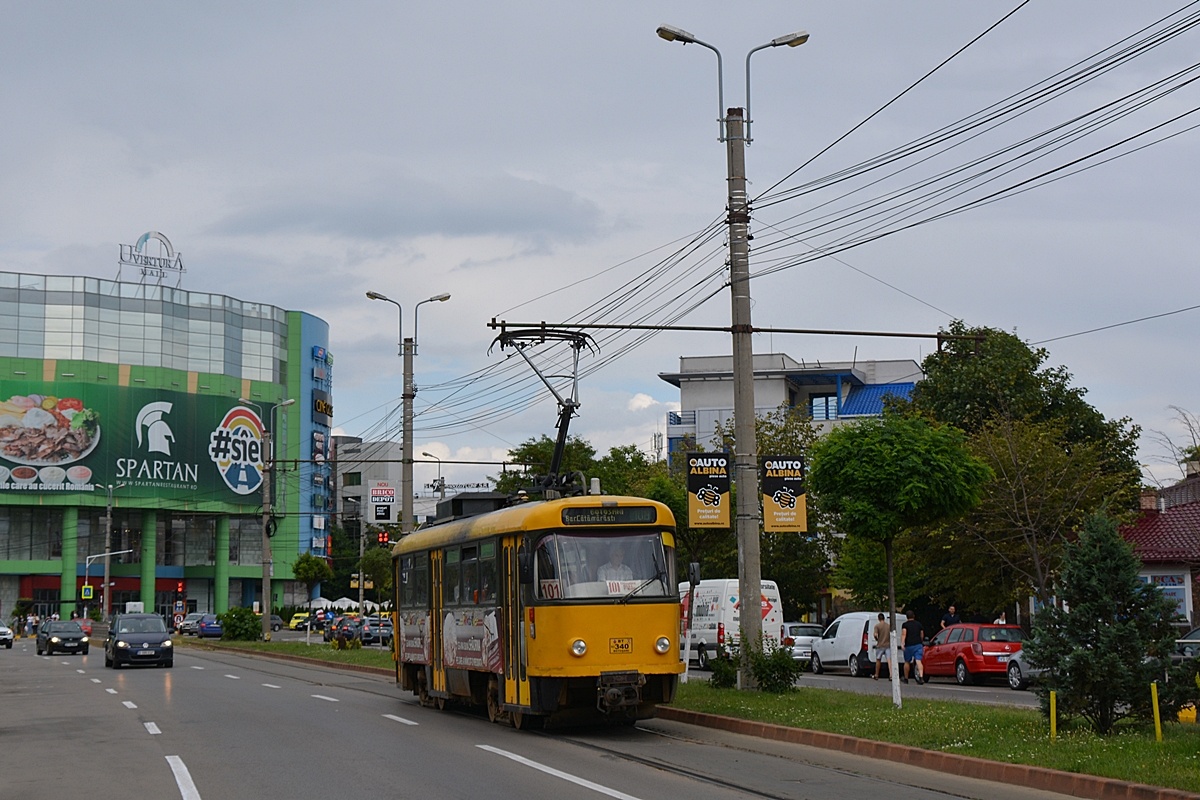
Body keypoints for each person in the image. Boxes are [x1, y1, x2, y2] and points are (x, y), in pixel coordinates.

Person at [901, 610, 925, 684]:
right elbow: (922, 634)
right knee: (918, 661)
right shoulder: (919, 624)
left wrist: (902, 643)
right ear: (914, 616)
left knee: (907, 661)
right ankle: (921, 677)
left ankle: (906, 678)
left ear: (906, 617)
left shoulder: (905, 625)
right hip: (918, 644)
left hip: (909, 645)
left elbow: (904, 634)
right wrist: (921, 640)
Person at [872, 612, 890, 680]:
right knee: (889, 660)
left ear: (878, 618)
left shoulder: (877, 626)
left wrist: (877, 639)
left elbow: (875, 634)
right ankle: (891, 675)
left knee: (878, 659)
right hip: (888, 645)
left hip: (880, 645)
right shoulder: (888, 626)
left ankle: (876, 674)